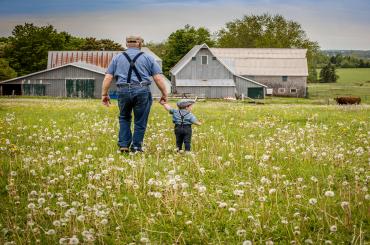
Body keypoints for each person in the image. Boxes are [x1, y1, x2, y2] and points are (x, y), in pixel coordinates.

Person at [101, 35, 168, 153]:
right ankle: (136, 147)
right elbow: (158, 78)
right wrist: (164, 94)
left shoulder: (117, 58)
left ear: (126, 44)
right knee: (140, 120)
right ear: (140, 44)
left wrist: (104, 94)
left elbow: (108, 77)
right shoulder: (148, 58)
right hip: (142, 90)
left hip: (123, 90)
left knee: (124, 117)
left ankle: (124, 145)